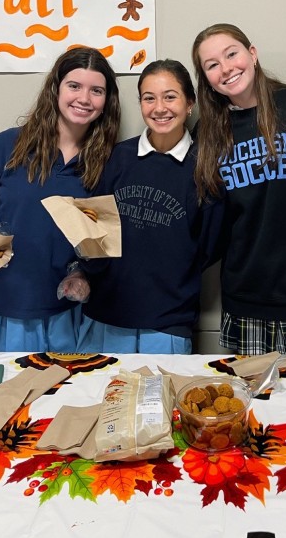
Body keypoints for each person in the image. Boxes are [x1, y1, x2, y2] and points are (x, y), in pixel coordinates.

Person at [191, 23, 286, 355]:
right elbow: (212, 222)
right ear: (206, 78)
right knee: (251, 405)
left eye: (231, 54)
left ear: (252, 54)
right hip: (246, 301)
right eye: (212, 64)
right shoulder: (209, 132)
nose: (226, 68)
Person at [0, 47, 121, 352]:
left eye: (96, 90)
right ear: (56, 88)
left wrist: (83, 273)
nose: (84, 99)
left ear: (106, 101)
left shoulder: (109, 162)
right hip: (2, 304)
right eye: (74, 86)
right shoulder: (6, 145)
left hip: (65, 311)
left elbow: (104, 240)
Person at [68, 59, 224, 354]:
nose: (159, 108)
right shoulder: (116, 159)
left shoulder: (205, 168)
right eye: (149, 98)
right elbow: (93, 231)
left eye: (170, 96)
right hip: (103, 318)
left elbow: (209, 248)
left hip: (167, 325)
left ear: (189, 103)